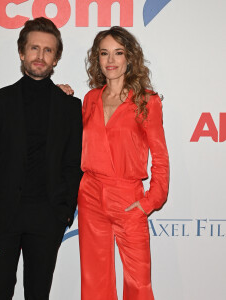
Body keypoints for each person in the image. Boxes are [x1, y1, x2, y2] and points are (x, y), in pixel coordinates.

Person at [0, 17, 82, 300]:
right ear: (22, 52)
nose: (40, 56)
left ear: (56, 58)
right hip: (1, 218)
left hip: (47, 217)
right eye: (34, 48)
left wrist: (64, 212)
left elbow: (72, 163)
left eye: (48, 50)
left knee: (38, 295)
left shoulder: (69, 106)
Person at [77, 26, 169, 300]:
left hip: (128, 197)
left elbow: (161, 156)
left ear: (130, 58)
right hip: (91, 195)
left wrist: (151, 200)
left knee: (138, 284)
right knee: (95, 281)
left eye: (118, 53)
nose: (111, 60)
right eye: (104, 53)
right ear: (97, 59)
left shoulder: (146, 100)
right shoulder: (90, 99)